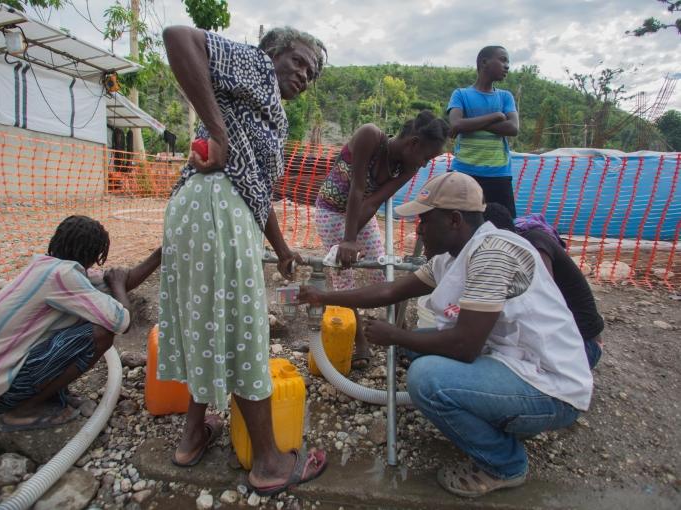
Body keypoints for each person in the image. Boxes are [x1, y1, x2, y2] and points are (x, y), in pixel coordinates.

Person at [298, 172, 593, 497]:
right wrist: (322, 297)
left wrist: (395, 335)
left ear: (454, 220)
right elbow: (392, 290)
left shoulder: (492, 254)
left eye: (425, 221)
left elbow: (465, 347)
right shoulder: (455, 255)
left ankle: (505, 464)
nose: (419, 230)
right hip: (516, 362)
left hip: (550, 388)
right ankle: (495, 415)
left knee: (426, 379)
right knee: (422, 349)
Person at [158, 26, 328, 495]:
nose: (304, 76)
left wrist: (282, 251)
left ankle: (192, 437)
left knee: (207, 321)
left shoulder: (261, 104)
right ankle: (270, 463)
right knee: (240, 328)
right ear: (272, 52)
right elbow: (177, 36)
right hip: (217, 209)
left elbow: (253, 188)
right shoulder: (253, 65)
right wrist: (216, 130)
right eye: (299, 62)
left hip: (201, 207)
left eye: (311, 73)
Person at [0, 215, 161, 431]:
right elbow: (121, 322)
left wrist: (160, 254)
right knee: (100, 333)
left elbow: (116, 281)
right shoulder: (63, 276)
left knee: (85, 323)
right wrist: (119, 285)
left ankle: (45, 396)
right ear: (93, 254)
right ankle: (25, 410)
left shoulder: (49, 267)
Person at [315, 111, 449, 370]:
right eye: (426, 157)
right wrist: (347, 241)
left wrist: (352, 239)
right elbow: (357, 188)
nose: (424, 164)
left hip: (362, 213)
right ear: (413, 143)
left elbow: (373, 201)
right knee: (344, 277)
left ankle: (402, 337)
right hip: (331, 211)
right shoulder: (369, 136)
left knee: (384, 272)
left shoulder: (407, 167)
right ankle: (360, 342)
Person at [483, 203, 605, 369]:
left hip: (583, 347)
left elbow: (539, 300)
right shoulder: (522, 243)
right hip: (568, 344)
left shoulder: (534, 244)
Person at [447, 45, 519, 217]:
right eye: (502, 60)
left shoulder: (505, 96)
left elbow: (513, 128)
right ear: (484, 62)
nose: (507, 65)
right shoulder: (460, 94)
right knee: (458, 224)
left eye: (507, 61)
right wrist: (496, 116)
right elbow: (455, 125)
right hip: (463, 172)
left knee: (503, 226)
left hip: (498, 173)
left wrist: (471, 124)